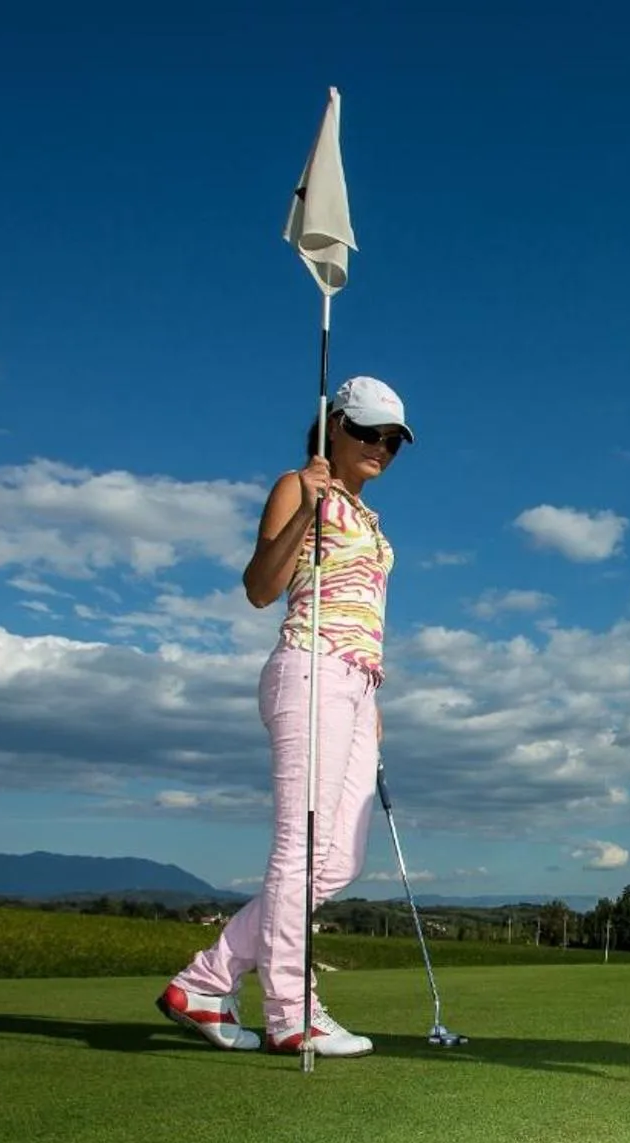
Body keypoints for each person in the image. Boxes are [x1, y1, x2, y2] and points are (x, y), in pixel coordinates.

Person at [156, 376, 414, 1058]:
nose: (382, 448)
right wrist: (310, 503)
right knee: (300, 850)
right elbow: (259, 587)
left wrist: (371, 696)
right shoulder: (299, 487)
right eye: (369, 432)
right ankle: (289, 1009)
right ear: (335, 425)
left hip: (357, 687)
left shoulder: (370, 518)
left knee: (337, 860)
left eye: (393, 441)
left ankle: (205, 981)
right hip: (309, 668)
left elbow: (362, 610)